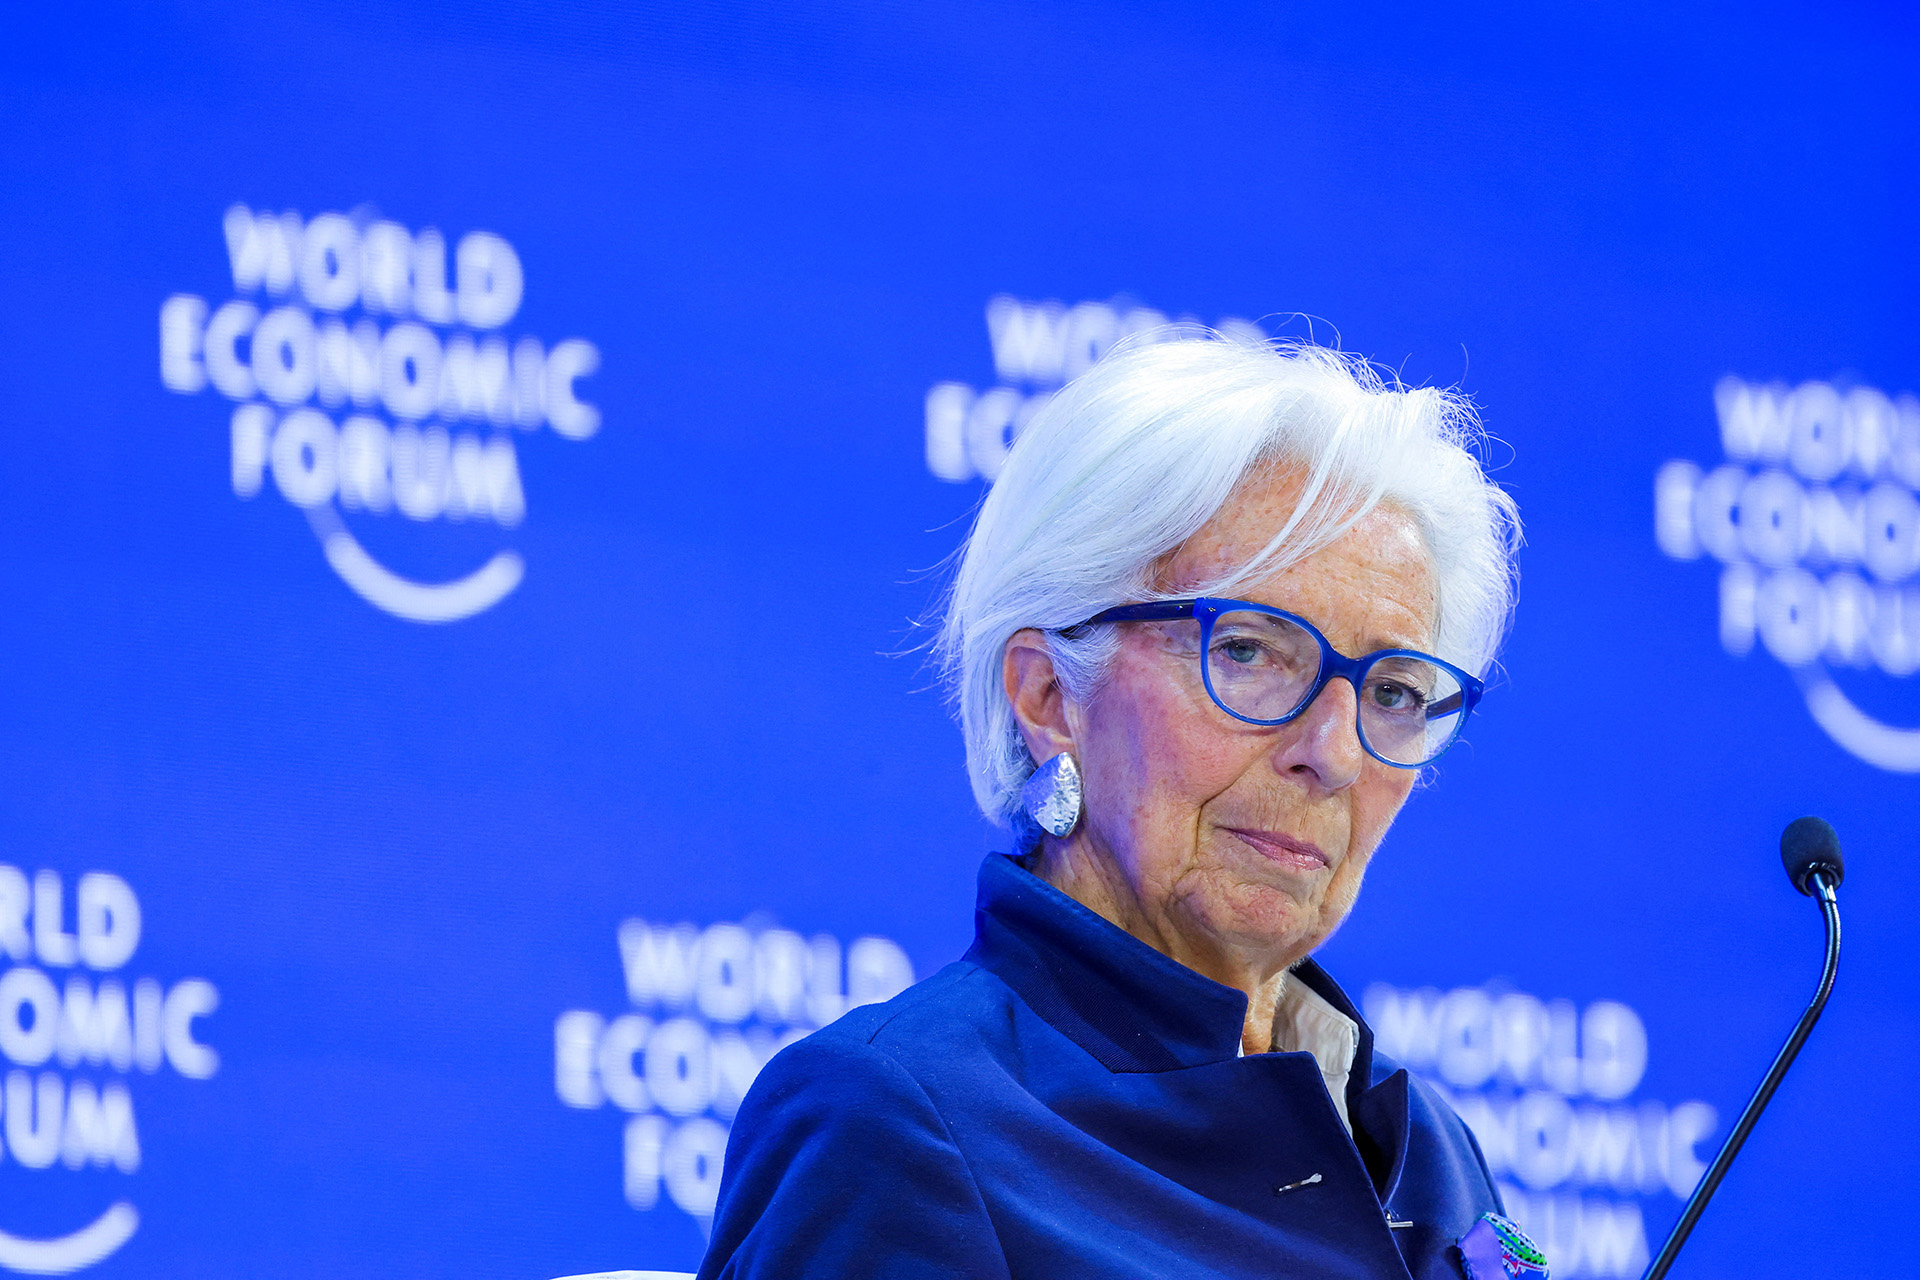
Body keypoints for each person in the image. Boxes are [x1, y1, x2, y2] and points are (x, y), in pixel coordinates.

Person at [698, 334, 1531, 1280]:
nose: (1335, 754)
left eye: (1393, 692)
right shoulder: (899, 1119)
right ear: (1050, 695)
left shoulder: (1430, 1150)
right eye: (1249, 651)